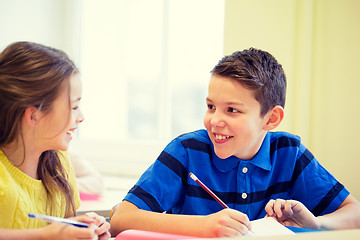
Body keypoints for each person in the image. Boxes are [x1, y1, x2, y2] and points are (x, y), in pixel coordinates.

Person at [109, 48, 360, 238]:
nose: (215, 120)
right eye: (211, 107)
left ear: (271, 119)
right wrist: (205, 226)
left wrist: (317, 225)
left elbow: (354, 214)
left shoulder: (289, 153)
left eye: (232, 110)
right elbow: (122, 218)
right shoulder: (186, 151)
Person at [0, 41, 110, 240]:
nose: (81, 117)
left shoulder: (60, 163)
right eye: (74, 107)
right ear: (34, 115)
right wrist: (44, 235)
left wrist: (81, 231)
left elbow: (62, 226)